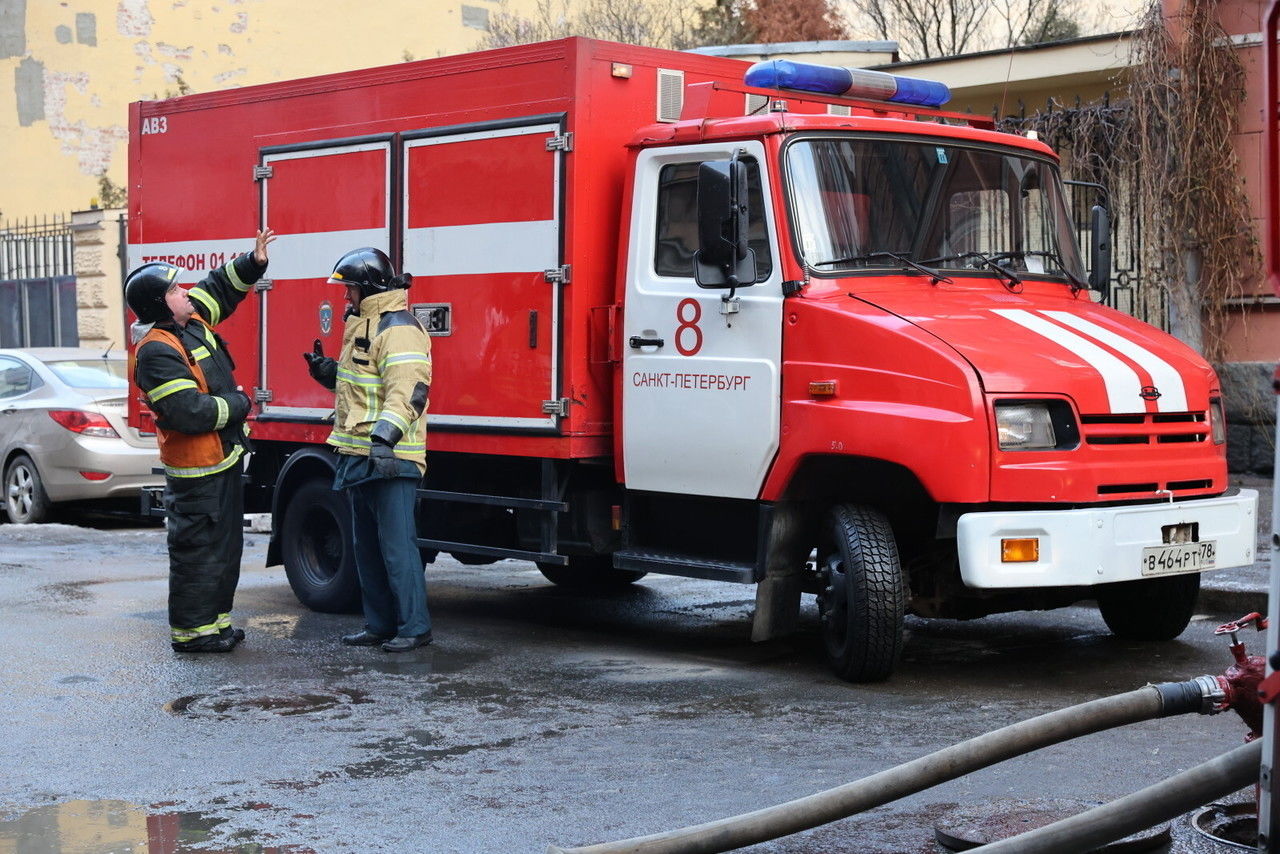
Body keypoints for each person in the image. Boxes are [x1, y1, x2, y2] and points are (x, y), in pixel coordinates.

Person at [127, 229, 276, 653]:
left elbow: (219, 289)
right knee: (197, 552)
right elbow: (188, 412)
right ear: (161, 304)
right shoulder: (156, 351)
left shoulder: (190, 322)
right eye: (175, 289)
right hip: (196, 471)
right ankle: (192, 635)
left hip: (221, 460)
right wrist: (239, 404)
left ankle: (216, 626)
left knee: (224, 549)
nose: (185, 292)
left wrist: (253, 262)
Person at [303, 247, 433, 652]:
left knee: (397, 550)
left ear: (369, 287)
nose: (346, 296)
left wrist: (384, 440)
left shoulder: (399, 328)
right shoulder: (366, 323)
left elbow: (409, 393)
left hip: (392, 459)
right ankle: (378, 625)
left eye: (350, 289)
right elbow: (362, 385)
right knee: (368, 550)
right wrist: (329, 373)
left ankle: (414, 628)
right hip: (361, 456)